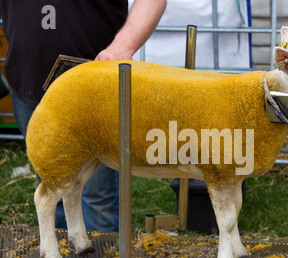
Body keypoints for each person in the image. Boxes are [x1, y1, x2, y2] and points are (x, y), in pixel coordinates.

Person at [1, 0, 167, 231]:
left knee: (96, 197)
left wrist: (123, 45)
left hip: (93, 90)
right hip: (28, 84)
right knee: (51, 188)